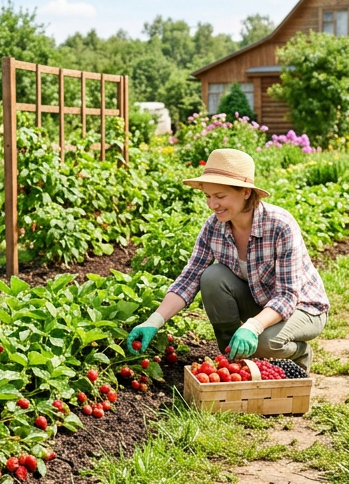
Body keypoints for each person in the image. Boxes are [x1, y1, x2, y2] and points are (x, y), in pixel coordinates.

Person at [126, 148, 328, 368]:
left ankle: (299, 353)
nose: (213, 205)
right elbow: (189, 278)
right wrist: (154, 321)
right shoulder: (214, 227)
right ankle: (235, 359)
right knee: (212, 276)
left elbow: (287, 296)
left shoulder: (280, 225)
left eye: (220, 196)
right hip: (261, 303)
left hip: (303, 308)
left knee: (265, 342)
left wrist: (253, 326)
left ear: (245, 192)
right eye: (208, 196)